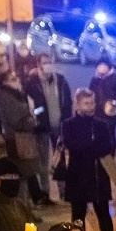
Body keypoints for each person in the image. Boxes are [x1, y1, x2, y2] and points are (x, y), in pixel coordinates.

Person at [57, 87, 116, 231]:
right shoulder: (68, 124)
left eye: (92, 103)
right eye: (86, 103)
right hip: (78, 177)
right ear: (77, 104)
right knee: (78, 219)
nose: (91, 107)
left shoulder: (101, 124)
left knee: (104, 216)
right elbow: (73, 146)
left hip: (98, 176)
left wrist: (88, 148)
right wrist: (92, 148)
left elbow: (108, 147)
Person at [0, 65, 45, 205]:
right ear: (5, 82)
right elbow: (17, 121)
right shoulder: (6, 97)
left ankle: (26, 207)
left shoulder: (15, 95)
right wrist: (32, 122)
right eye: (13, 79)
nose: (17, 81)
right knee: (21, 177)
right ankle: (22, 208)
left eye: (16, 78)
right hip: (17, 142)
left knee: (26, 176)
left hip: (22, 140)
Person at [24, 54, 71, 204]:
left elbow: (67, 103)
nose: (48, 65)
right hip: (42, 127)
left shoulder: (60, 80)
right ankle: (45, 192)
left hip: (60, 126)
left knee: (61, 160)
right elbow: (30, 106)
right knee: (43, 162)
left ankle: (64, 191)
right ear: (38, 65)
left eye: (50, 62)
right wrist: (39, 115)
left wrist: (67, 121)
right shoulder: (32, 83)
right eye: (45, 62)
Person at [88, 59, 116, 150]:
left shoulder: (114, 79)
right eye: (99, 65)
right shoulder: (94, 79)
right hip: (97, 113)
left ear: (108, 67)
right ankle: (100, 152)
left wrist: (113, 101)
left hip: (110, 113)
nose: (101, 67)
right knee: (97, 134)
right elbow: (90, 93)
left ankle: (111, 153)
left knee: (110, 135)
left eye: (104, 65)